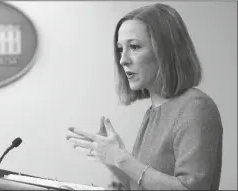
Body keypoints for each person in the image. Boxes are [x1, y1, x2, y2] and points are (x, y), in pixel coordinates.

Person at [66, 3, 223, 190]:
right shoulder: (153, 112)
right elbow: (140, 185)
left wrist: (121, 158)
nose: (123, 59)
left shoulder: (196, 108)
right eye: (120, 49)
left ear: (166, 51)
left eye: (134, 46)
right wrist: (111, 158)